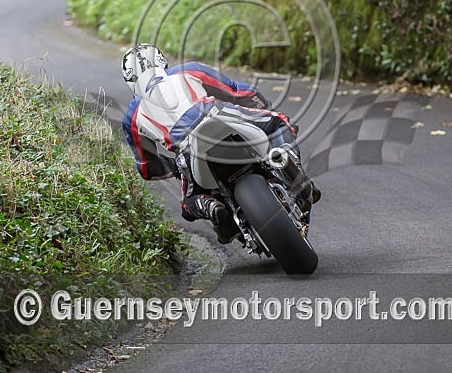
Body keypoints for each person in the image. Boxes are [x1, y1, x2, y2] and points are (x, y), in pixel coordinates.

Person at [120, 43, 319, 244]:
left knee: (189, 205)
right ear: (161, 61)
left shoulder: (131, 116)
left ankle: (211, 207)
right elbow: (239, 91)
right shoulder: (188, 70)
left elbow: (147, 168)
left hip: (187, 149)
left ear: (130, 79)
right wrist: (262, 107)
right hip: (220, 117)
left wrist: (173, 168)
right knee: (279, 122)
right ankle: (289, 165)